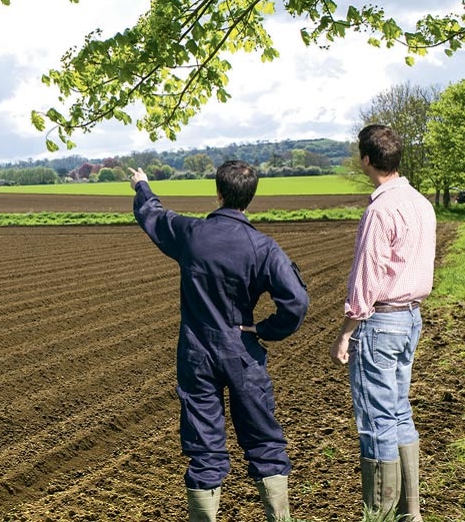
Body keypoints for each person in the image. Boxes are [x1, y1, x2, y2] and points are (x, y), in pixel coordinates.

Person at [131, 161, 309, 522]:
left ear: (218, 192)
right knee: (264, 444)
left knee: (205, 451)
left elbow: (154, 216)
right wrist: (264, 330)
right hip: (243, 353)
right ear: (251, 198)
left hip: (196, 355)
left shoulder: (192, 234)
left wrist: (142, 186)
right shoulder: (263, 247)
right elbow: (296, 302)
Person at [329, 125, 436, 520]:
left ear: (367, 160)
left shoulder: (379, 210)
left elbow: (366, 278)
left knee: (376, 419)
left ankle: (380, 515)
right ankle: (411, 514)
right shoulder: (422, 203)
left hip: (382, 322)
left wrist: (346, 332)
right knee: (398, 411)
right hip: (411, 319)